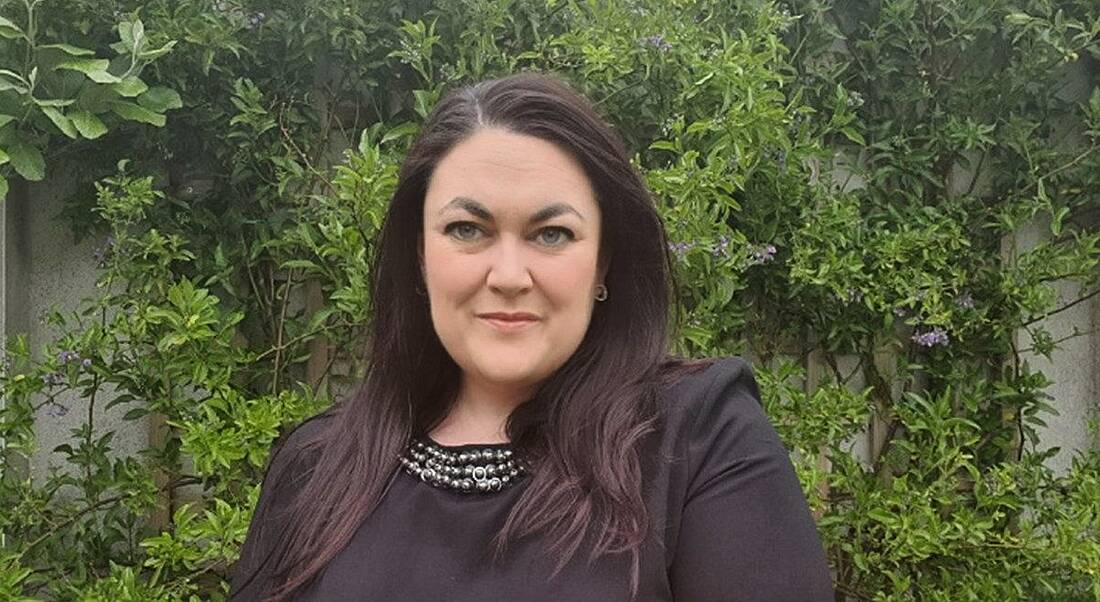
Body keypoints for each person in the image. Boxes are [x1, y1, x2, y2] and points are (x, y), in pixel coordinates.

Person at [230, 71, 833, 601]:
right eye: (467, 229)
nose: (509, 277)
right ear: (419, 255)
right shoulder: (316, 465)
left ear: (603, 264)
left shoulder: (698, 439)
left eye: (552, 234)